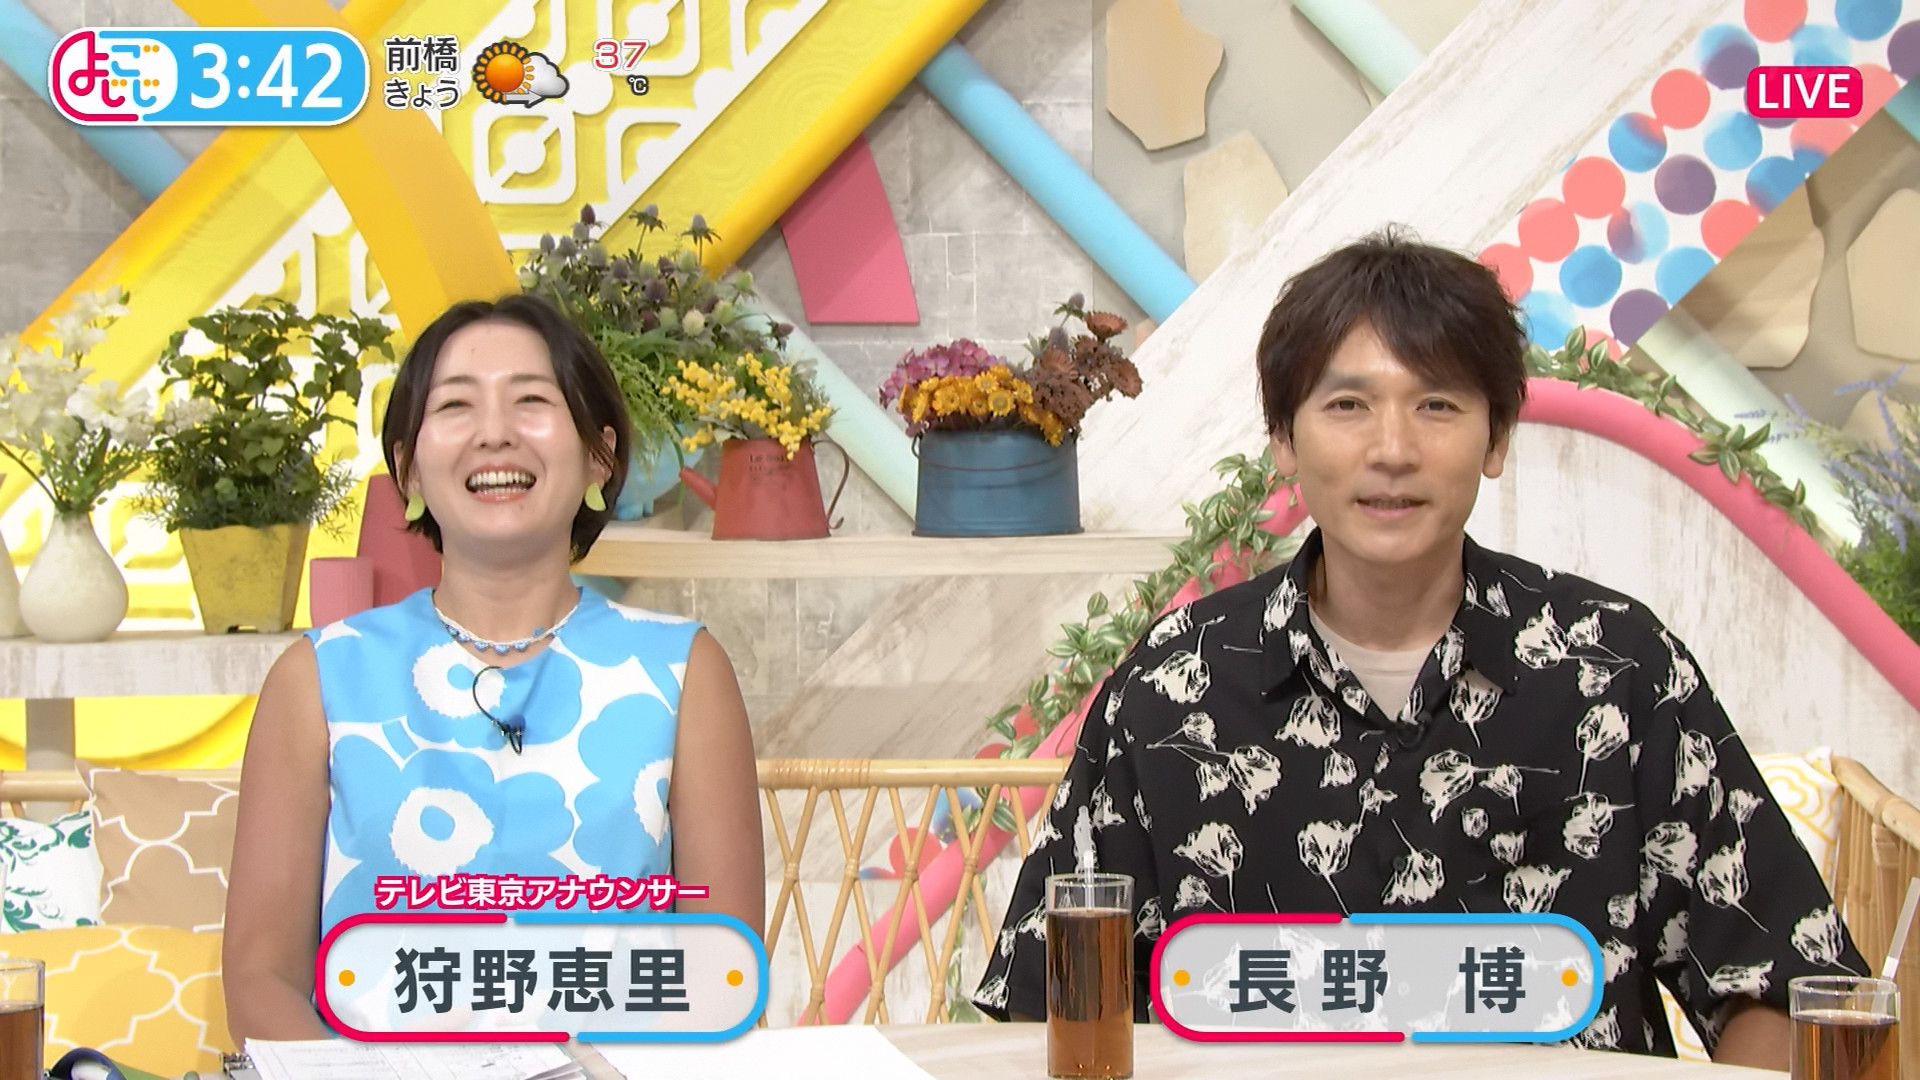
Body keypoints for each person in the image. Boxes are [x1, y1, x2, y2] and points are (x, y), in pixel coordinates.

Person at [972, 229, 1865, 1066]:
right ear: (1283, 439)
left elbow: (1785, 988)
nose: (1392, 449)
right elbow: (1048, 1006)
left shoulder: (1615, 669)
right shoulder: (1175, 685)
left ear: (1497, 437)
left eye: (1436, 404)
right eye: (1348, 405)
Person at [223, 294, 763, 1039]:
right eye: (456, 406)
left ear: (599, 456)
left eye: (531, 401)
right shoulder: (317, 678)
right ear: (409, 469)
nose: (495, 433)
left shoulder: (683, 671)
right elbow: (260, 980)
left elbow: (722, 972)